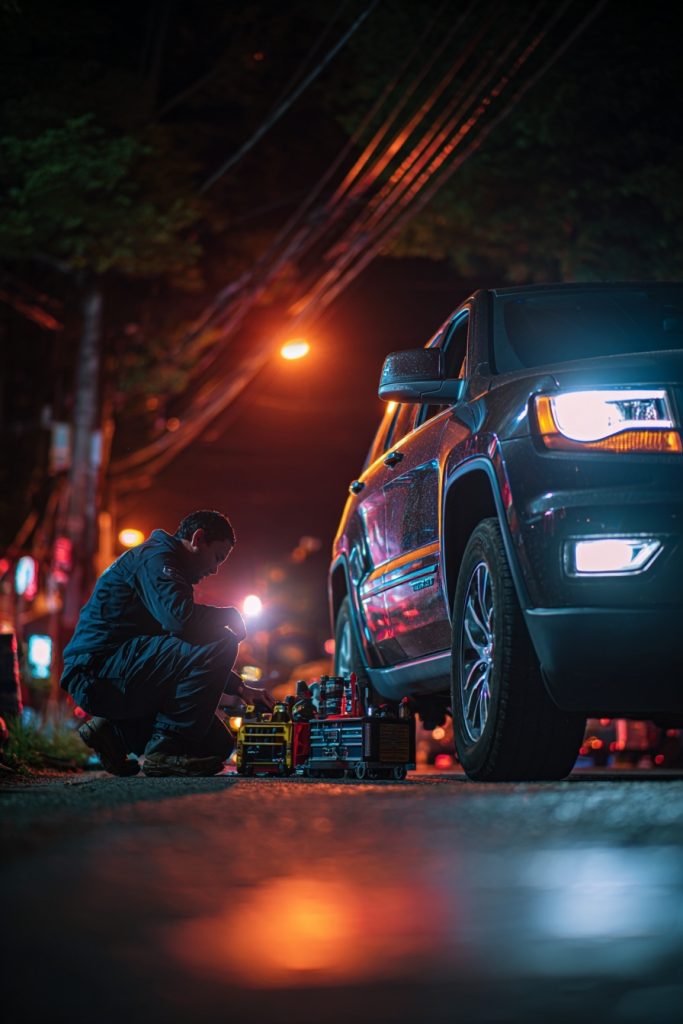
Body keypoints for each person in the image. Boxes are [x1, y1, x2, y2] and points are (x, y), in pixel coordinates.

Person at [60, 509, 274, 777]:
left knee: (216, 746)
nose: (215, 569)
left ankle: (113, 735)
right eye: (217, 557)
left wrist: (241, 689)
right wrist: (227, 614)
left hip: (121, 670)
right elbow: (181, 622)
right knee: (222, 638)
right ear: (198, 538)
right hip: (97, 672)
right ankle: (165, 751)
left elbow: (182, 649)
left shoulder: (168, 566)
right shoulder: (158, 559)